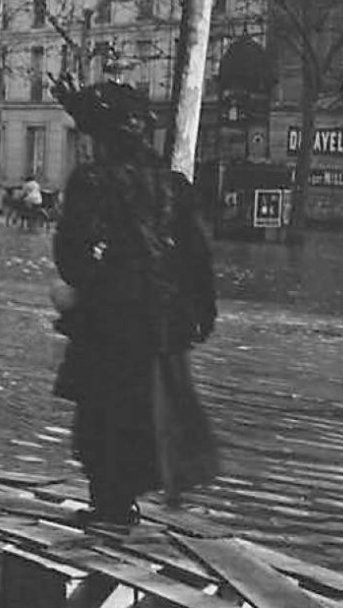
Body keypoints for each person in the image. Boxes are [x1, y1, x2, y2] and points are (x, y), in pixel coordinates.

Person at [51, 76, 218, 528]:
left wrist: (85, 286)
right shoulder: (172, 185)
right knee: (147, 413)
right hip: (161, 323)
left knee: (102, 414)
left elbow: (71, 251)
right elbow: (198, 256)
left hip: (110, 322)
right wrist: (202, 312)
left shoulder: (92, 182)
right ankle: (123, 505)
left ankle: (110, 509)